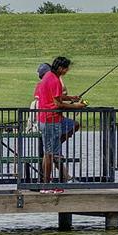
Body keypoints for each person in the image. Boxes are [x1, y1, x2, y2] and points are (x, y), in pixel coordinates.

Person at [33, 56, 86, 192]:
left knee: (73, 125)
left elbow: (56, 96)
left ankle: (48, 184)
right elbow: (57, 104)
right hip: (51, 120)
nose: (67, 71)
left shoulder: (48, 76)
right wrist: (77, 106)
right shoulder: (55, 80)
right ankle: (47, 186)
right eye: (66, 68)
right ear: (61, 68)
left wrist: (71, 98)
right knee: (50, 154)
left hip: (48, 119)